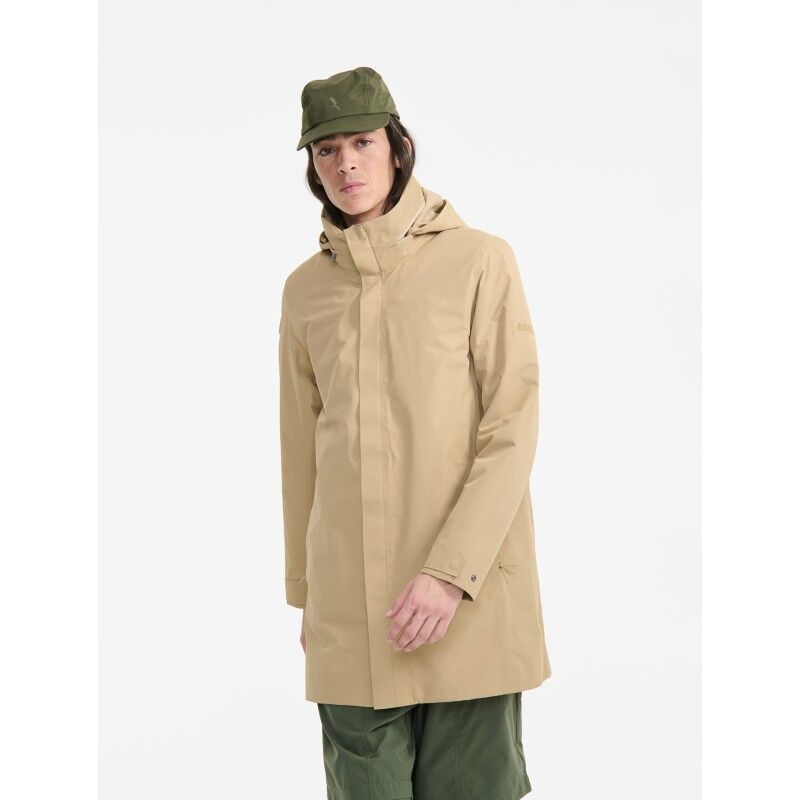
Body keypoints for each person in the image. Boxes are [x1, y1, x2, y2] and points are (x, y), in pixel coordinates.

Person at [279, 65, 551, 799]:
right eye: (326, 150)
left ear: (397, 147)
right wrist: (309, 593)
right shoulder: (305, 291)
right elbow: (301, 450)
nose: (346, 164)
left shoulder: (479, 260)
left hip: (468, 601)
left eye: (362, 143)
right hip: (350, 610)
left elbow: (511, 427)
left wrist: (451, 574)